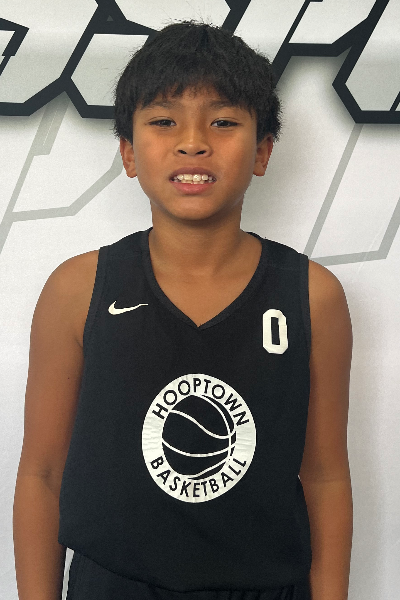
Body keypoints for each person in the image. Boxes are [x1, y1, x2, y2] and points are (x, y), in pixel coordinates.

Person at [13, 19, 353, 600]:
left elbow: (324, 477)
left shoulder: (312, 295)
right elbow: (42, 475)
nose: (193, 142)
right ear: (128, 152)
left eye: (223, 122)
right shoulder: (77, 288)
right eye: (164, 121)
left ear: (263, 150)